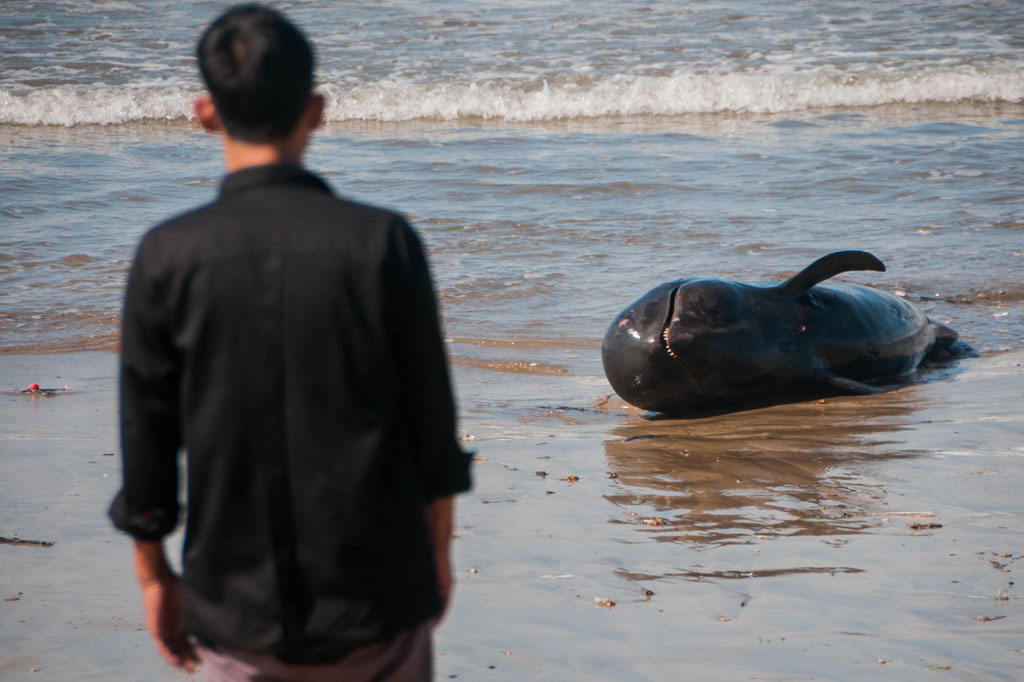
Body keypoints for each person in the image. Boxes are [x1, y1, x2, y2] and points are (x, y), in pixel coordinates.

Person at [109, 5, 472, 680]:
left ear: (205, 112)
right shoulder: (382, 242)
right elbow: (431, 423)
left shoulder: (167, 255)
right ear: (316, 110)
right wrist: (438, 550)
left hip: (235, 610)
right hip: (378, 601)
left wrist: (154, 574)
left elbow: (146, 436)